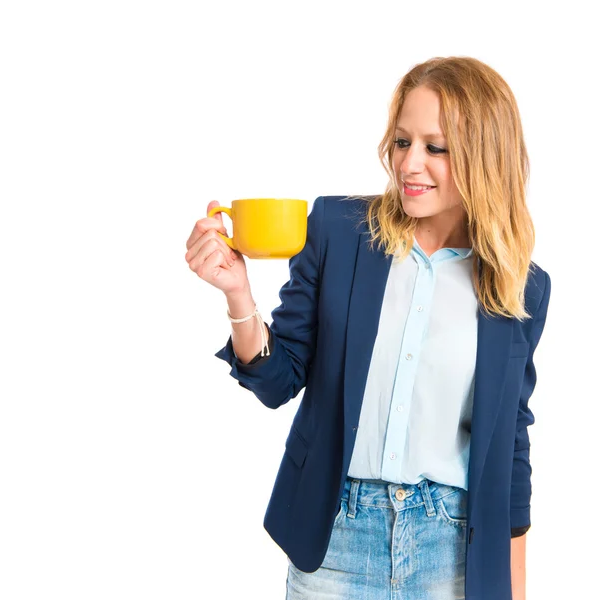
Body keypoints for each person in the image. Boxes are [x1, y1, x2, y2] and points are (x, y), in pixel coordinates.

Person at [185, 56, 551, 600]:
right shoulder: (338, 230)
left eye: (436, 147)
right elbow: (277, 380)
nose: (410, 164)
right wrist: (239, 294)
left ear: (484, 156)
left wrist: (514, 588)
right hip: (337, 540)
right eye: (403, 142)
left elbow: (509, 443)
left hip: (450, 549)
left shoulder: (519, 285)